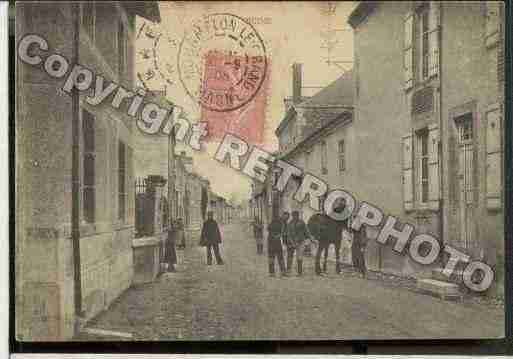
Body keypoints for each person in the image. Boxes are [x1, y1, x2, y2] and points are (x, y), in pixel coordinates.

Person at [287, 211, 310, 276]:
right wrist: (292, 243)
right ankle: (288, 270)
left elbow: (306, 231)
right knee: (290, 256)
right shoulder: (290, 223)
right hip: (292, 242)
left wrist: (311, 238)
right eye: (294, 215)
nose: (295, 217)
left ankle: (300, 272)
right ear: (292, 216)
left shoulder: (302, 222)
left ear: (298, 216)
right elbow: (289, 234)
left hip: (300, 242)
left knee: (299, 257)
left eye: (296, 215)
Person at [267, 213, 287, 277]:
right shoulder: (281, 223)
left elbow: (269, 229)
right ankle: (281, 272)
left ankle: (272, 273)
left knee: (273, 258)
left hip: (272, 242)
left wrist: (277, 236)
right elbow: (282, 232)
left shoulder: (273, 223)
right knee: (278, 258)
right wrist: (277, 236)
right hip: (274, 242)